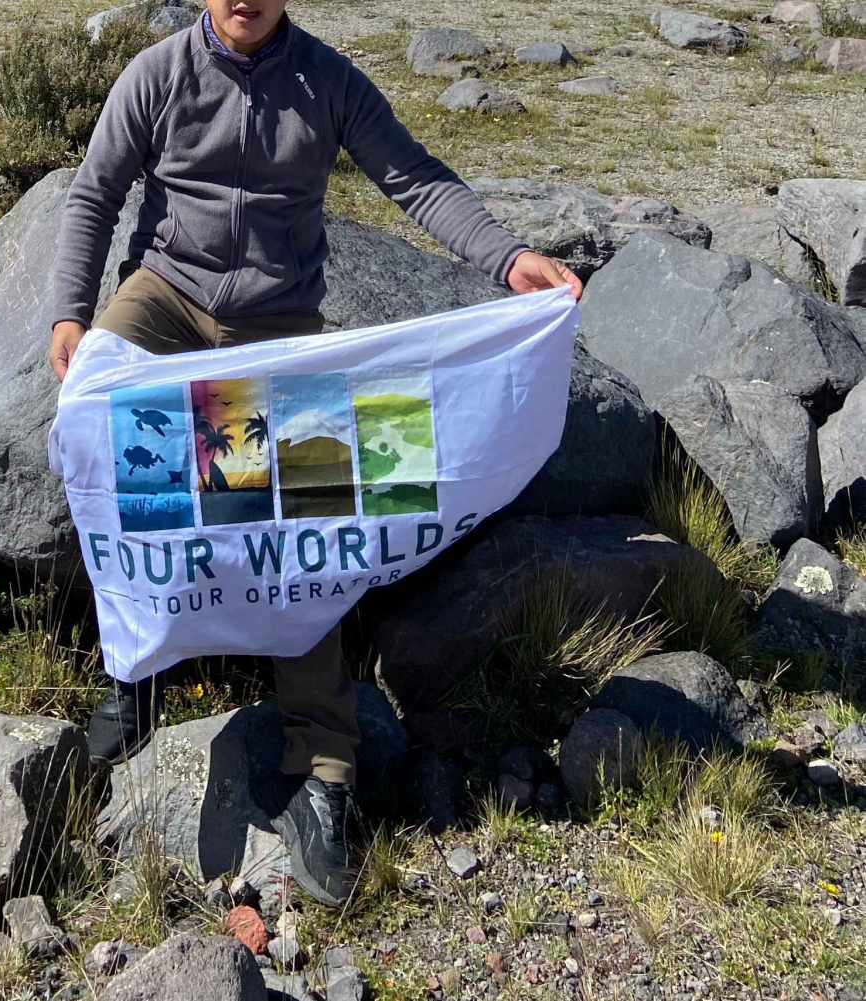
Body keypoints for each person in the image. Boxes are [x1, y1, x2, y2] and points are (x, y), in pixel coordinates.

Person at [48, 0, 583, 907]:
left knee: (305, 516)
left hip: (279, 324)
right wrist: (70, 310)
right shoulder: (159, 73)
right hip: (168, 296)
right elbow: (95, 192)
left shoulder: (327, 80)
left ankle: (325, 765)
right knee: (111, 420)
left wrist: (507, 258)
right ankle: (133, 670)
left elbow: (413, 178)